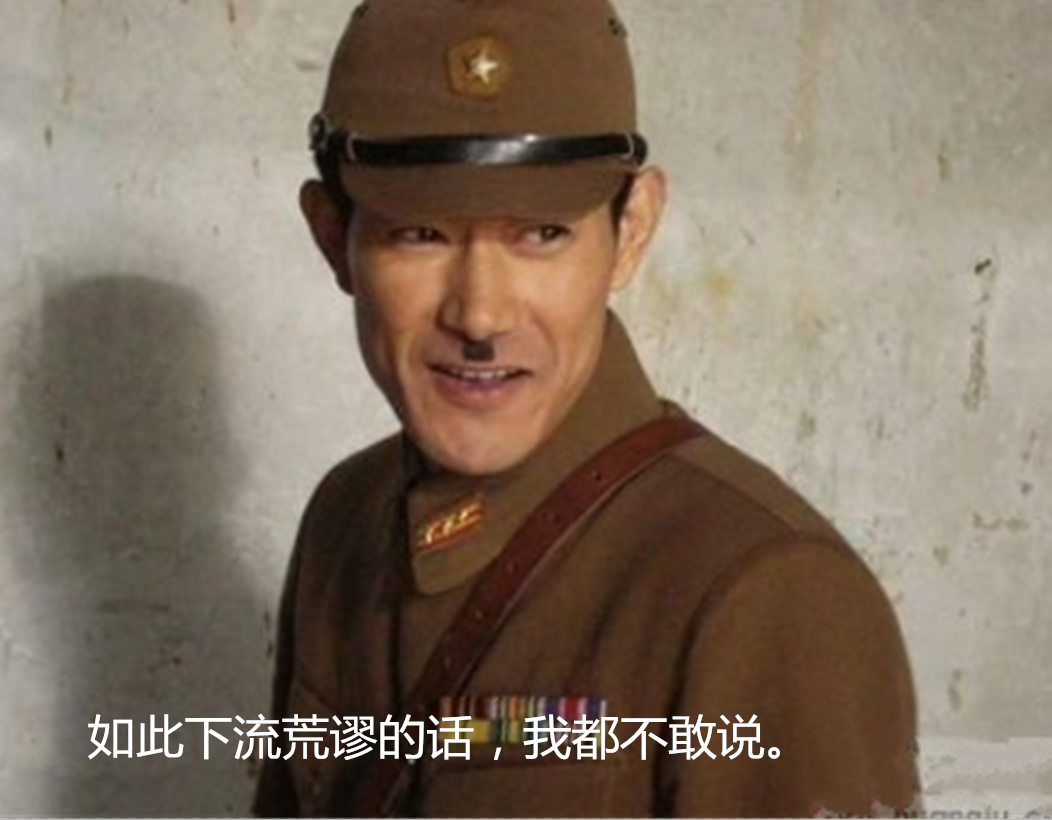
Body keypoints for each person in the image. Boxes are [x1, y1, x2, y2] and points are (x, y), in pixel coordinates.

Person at [254, 0, 920, 816]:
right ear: (333, 237)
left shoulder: (767, 592)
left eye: (542, 234)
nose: (480, 315)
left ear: (631, 231)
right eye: (419, 234)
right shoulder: (347, 521)